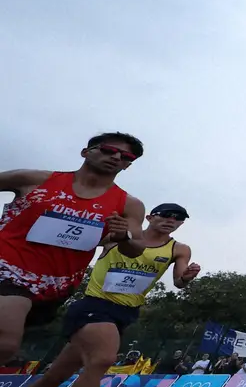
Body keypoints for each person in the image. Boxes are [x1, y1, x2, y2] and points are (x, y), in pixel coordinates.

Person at [0, 203, 200, 387]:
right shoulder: (117, 236)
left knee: (53, 378)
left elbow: (179, 282)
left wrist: (187, 277)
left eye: (178, 218)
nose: (171, 220)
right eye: (165, 215)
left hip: (125, 313)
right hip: (94, 304)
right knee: (103, 358)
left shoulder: (178, 249)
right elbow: (73, 240)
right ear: (149, 217)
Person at [0, 133, 147, 366]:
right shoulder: (35, 179)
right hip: (8, 268)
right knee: (6, 342)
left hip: (56, 286)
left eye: (125, 156)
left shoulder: (129, 205)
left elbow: (136, 248)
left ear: (128, 165)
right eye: (109, 150)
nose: (116, 156)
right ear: (86, 152)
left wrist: (124, 237)